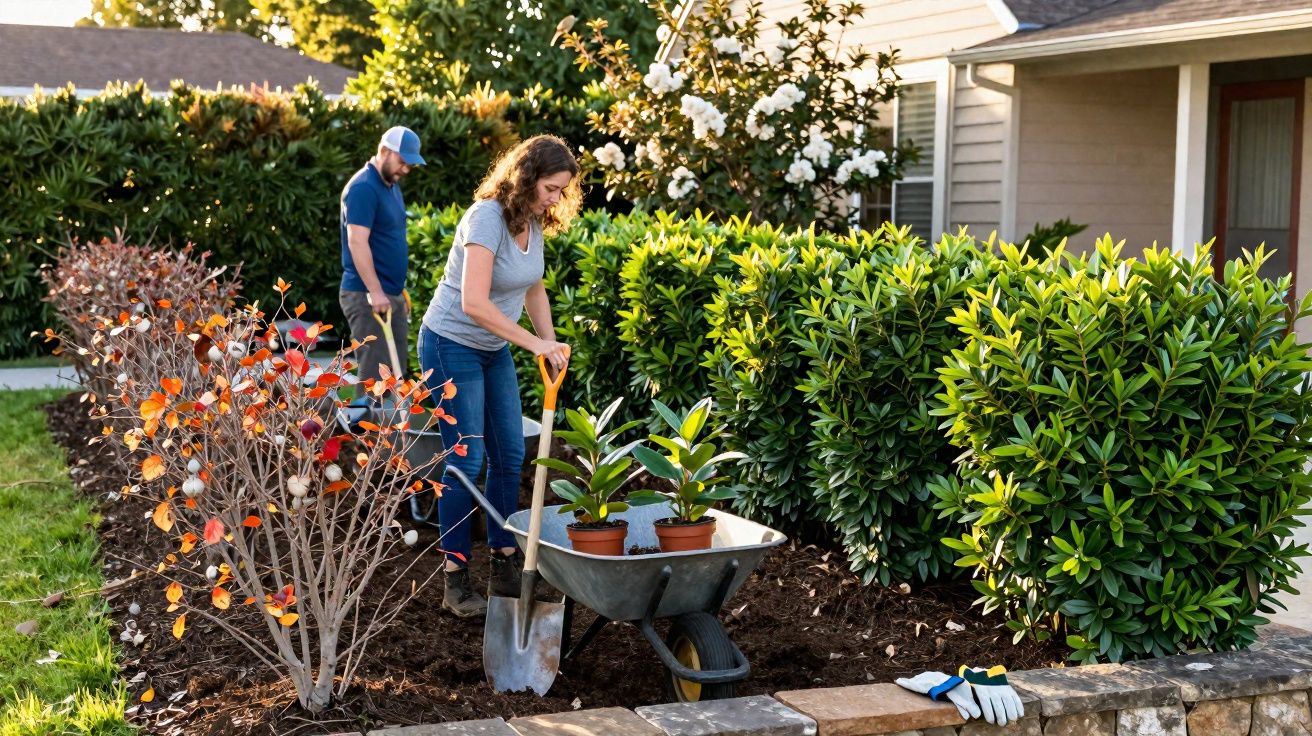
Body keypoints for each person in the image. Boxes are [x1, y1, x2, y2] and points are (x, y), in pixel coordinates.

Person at [419, 135, 578, 618]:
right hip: (450, 345)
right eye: (551, 188)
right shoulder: (485, 217)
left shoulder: (532, 221)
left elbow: (533, 288)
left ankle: (506, 561)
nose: (556, 198)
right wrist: (533, 343)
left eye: (561, 191)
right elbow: (473, 301)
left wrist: (550, 345)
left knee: (511, 454)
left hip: (492, 350)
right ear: (527, 178)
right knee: (467, 462)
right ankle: (455, 578)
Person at [340, 126, 424, 386]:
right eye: (403, 161)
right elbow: (357, 241)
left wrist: (397, 291)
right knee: (376, 381)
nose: (406, 169)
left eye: (410, 164)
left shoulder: (390, 186)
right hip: (367, 297)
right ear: (384, 151)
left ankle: (389, 428)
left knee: (395, 377)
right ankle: (366, 428)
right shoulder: (363, 187)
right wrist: (376, 291)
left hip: (388, 295)